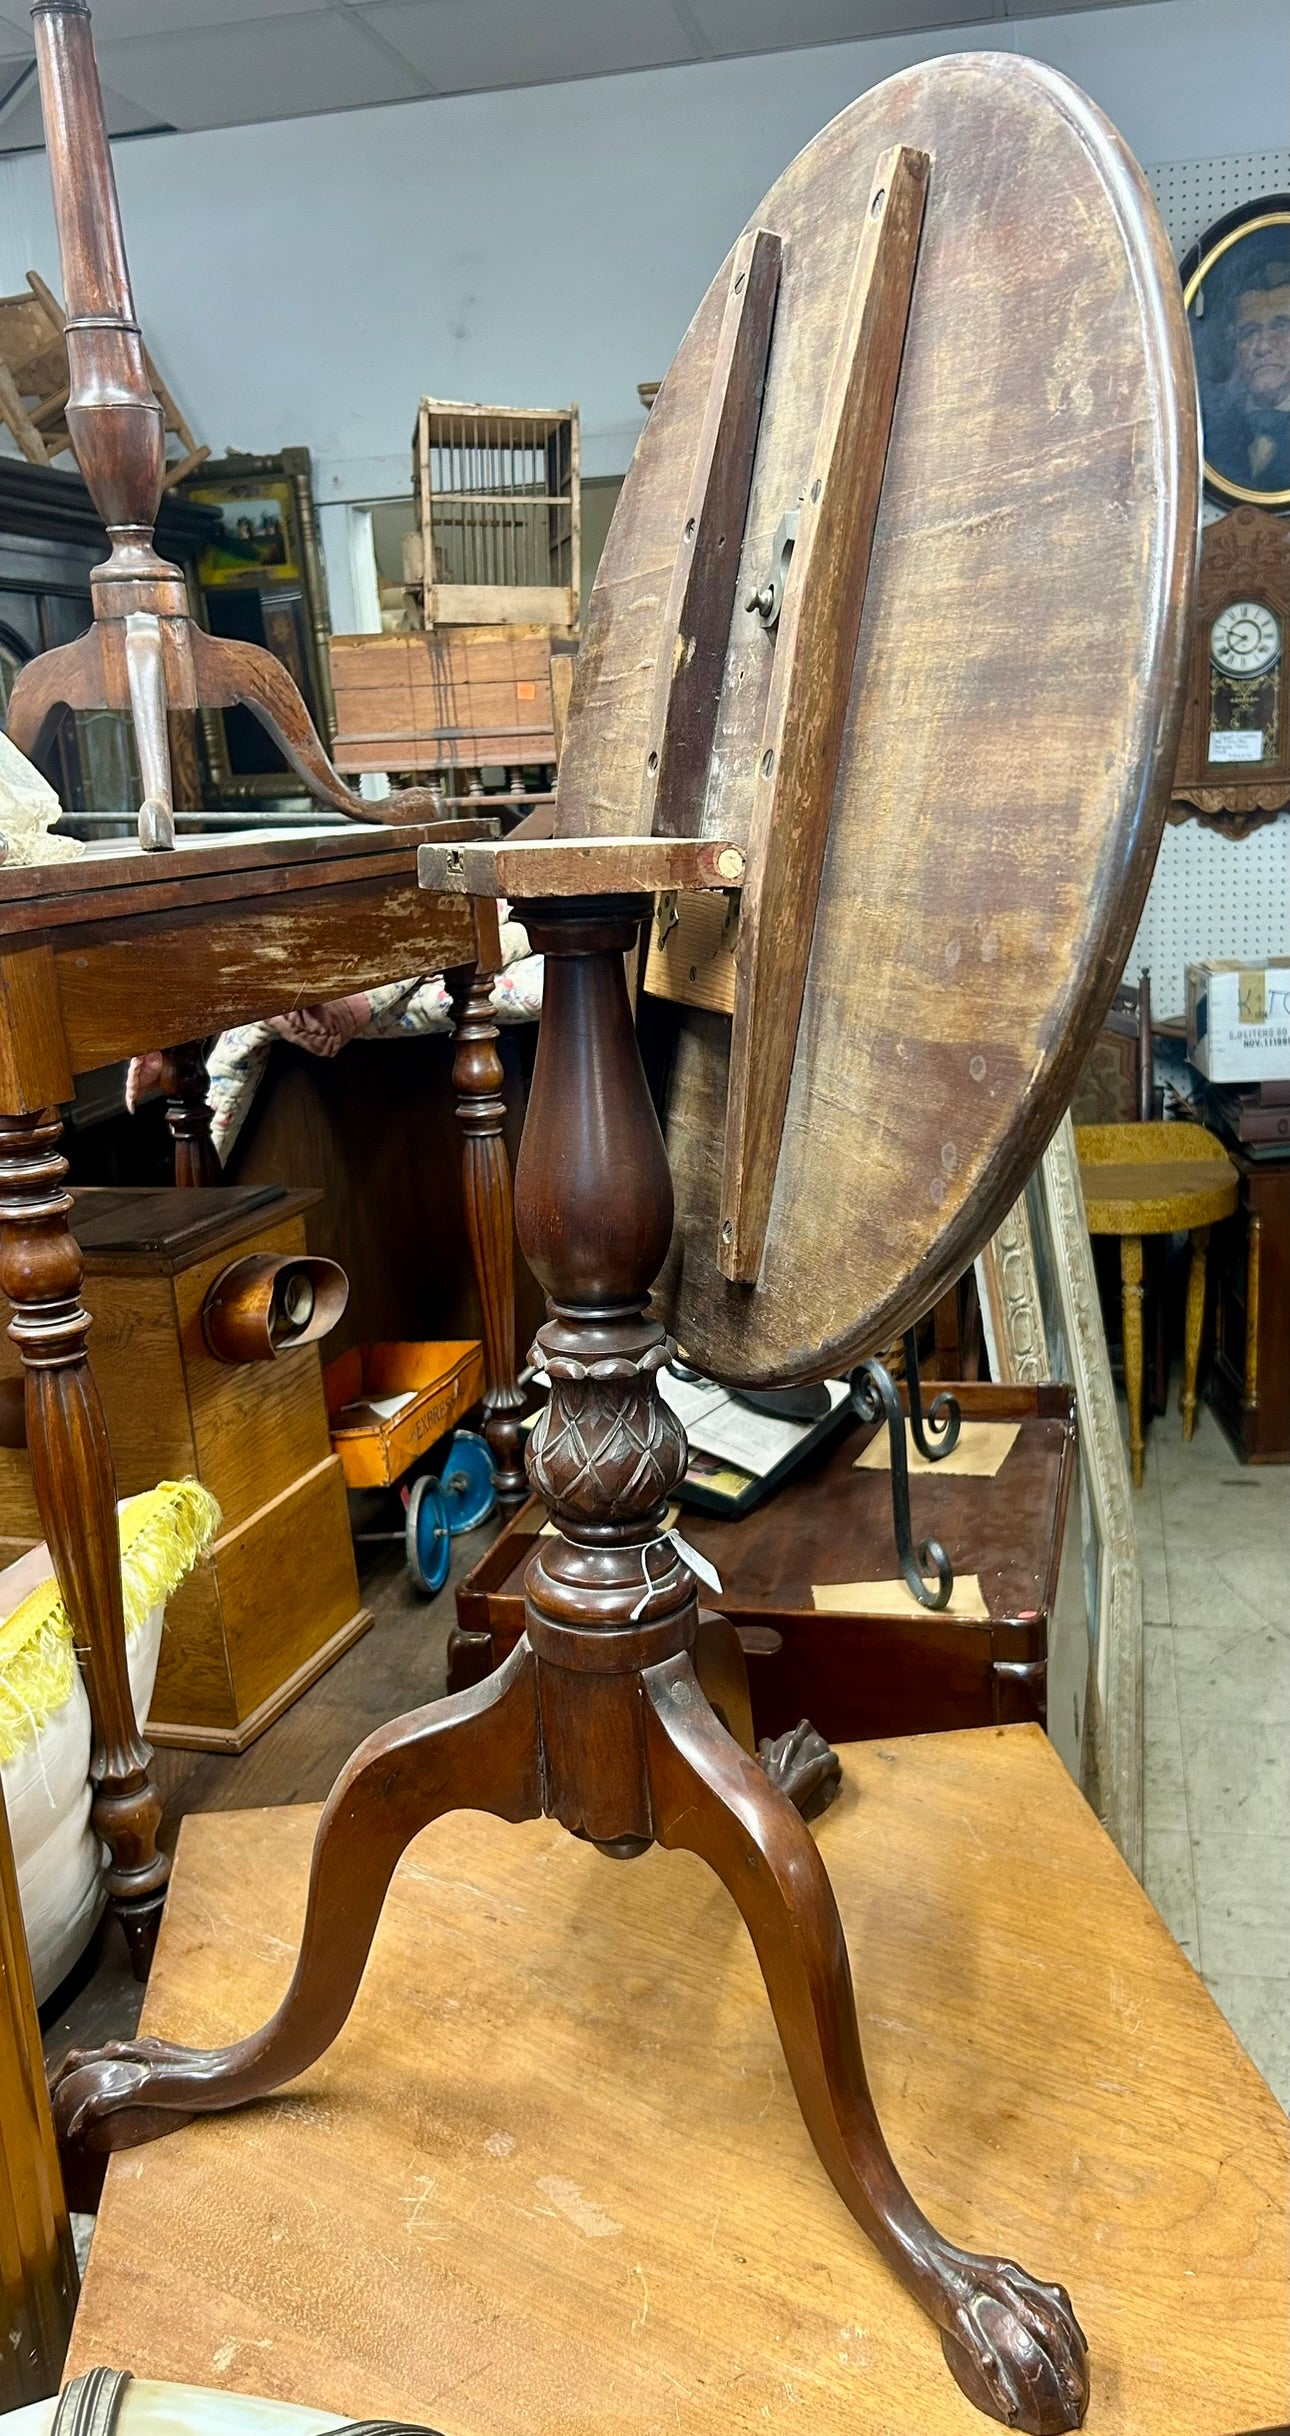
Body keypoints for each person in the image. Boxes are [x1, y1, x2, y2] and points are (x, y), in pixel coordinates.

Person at [1202, 256, 1290, 494]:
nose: (1262, 347)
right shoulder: (1210, 432)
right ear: (1234, 345)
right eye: (1249, 332)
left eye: (1280, 326)